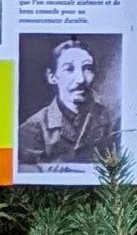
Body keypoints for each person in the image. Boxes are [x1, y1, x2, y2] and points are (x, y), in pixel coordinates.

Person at [20, 33, 118, 168]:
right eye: (69, 69)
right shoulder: (33, 128)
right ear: (52, 76)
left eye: (87, 69)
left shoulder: (111, 121)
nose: (81, 79)